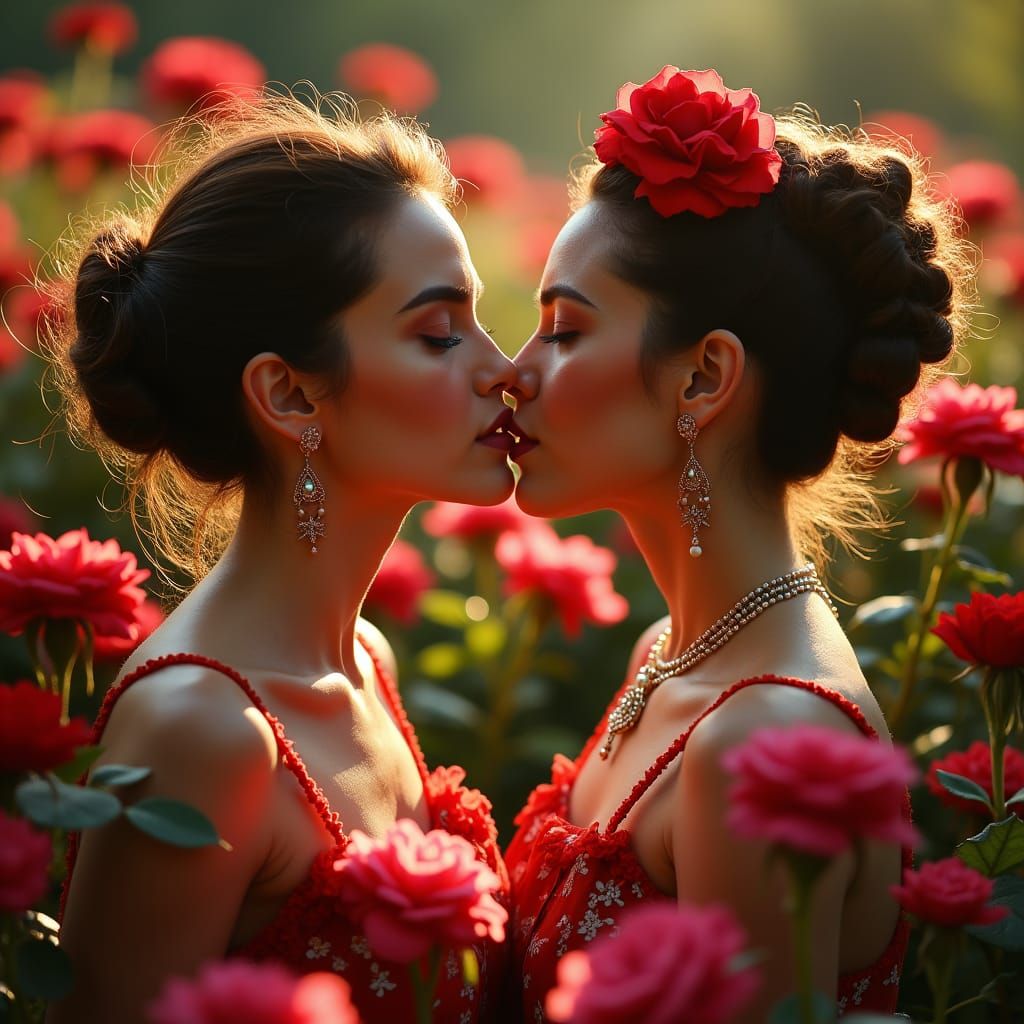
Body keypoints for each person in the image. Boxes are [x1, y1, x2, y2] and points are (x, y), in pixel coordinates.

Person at [505, 66, 971, 1021]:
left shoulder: (763, 739)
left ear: (704, 378)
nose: (514, 373)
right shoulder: (672, 655)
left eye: (562, 328)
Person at [46, 92, 517, 1023]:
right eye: (438, 333)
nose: (500, 366)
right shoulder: (204, 731)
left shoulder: (364, 658)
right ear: (291, 396)